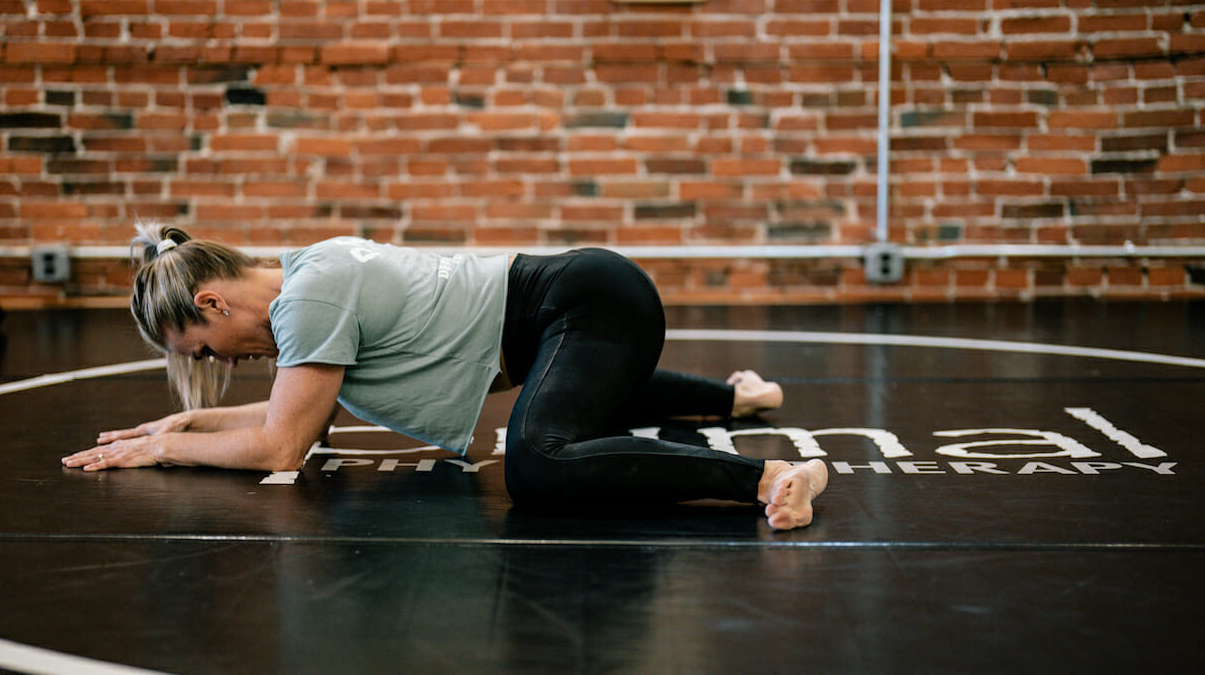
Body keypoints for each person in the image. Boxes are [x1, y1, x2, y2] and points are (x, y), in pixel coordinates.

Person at [62, 224, 828, 530]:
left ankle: (769, 479)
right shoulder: (306, 270)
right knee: (567, 395)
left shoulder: (309, 299)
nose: (222, 366)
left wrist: (168, 450)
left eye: (203, 348)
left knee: (540, 460)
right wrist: (181, 426)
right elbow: (300, 414)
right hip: (579, 310)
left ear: (212, 300)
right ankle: (738, 395)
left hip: (588, 304)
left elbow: (283, 444)